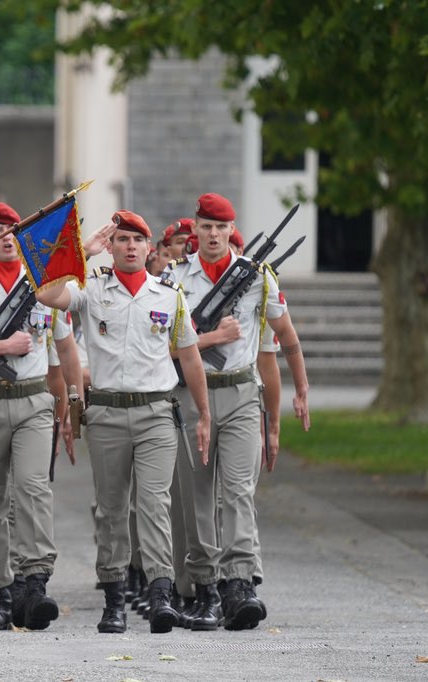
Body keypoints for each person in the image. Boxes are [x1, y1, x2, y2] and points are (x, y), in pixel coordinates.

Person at [37, 210, 211, 635]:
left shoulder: (168, 295)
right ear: (111, 247)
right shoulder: (91, 288)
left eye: (137, 240)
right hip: (107, 413)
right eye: (121, 239)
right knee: (112, 508)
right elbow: (45, 293)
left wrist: (204, 412)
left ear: (149, 249)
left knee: (154, 505)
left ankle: (160, 594)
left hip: (156, 413)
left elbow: (190, 356)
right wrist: (82, 252)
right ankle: (114, 600)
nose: (130, 246)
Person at [163, 193, 310, 631]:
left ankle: (240, 583)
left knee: (239, 490)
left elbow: (285, 334)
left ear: (231, 230)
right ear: (195, 228)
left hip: (242, 392)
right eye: (206, 226)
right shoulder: (173, 277)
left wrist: (301, 389)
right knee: (198, 495)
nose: (213, 235)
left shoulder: (258, 277)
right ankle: (205, 587)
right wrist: (208, 338)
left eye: (221, 227)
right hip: (192, 395)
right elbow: (159, 345)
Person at [0, 200, 82, 631]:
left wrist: (70, 405)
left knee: (32, 488)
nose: (6, 239)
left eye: (13, 231)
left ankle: (34, 580)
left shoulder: (44, 286)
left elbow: (64, 351)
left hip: (33, 402)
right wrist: (1, 347)